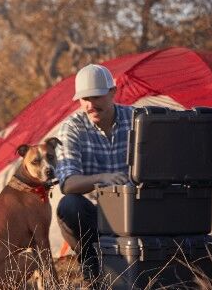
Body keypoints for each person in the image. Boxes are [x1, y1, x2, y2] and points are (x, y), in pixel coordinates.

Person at [55, 63, 132, 285]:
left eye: (96, 97)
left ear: (112, 93)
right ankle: (91, 267)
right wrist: (102, 178)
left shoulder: (137, 119)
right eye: (84, 99)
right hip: (94, 217)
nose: (90, 105)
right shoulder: (72, 127)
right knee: (69, 205)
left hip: (134, 210)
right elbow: (68, 184)